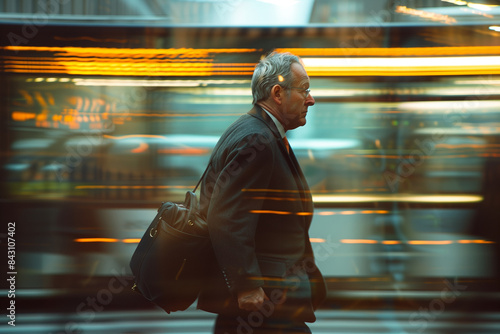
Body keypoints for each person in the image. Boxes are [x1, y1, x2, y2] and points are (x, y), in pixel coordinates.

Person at [197, 51, 327, 334]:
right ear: (277, 93)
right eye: (304, 89)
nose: (311, 99)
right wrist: (247, 286)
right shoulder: (258, 139)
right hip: (263, 302)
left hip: (271, 299)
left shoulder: (258, 131)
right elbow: (227, 216)